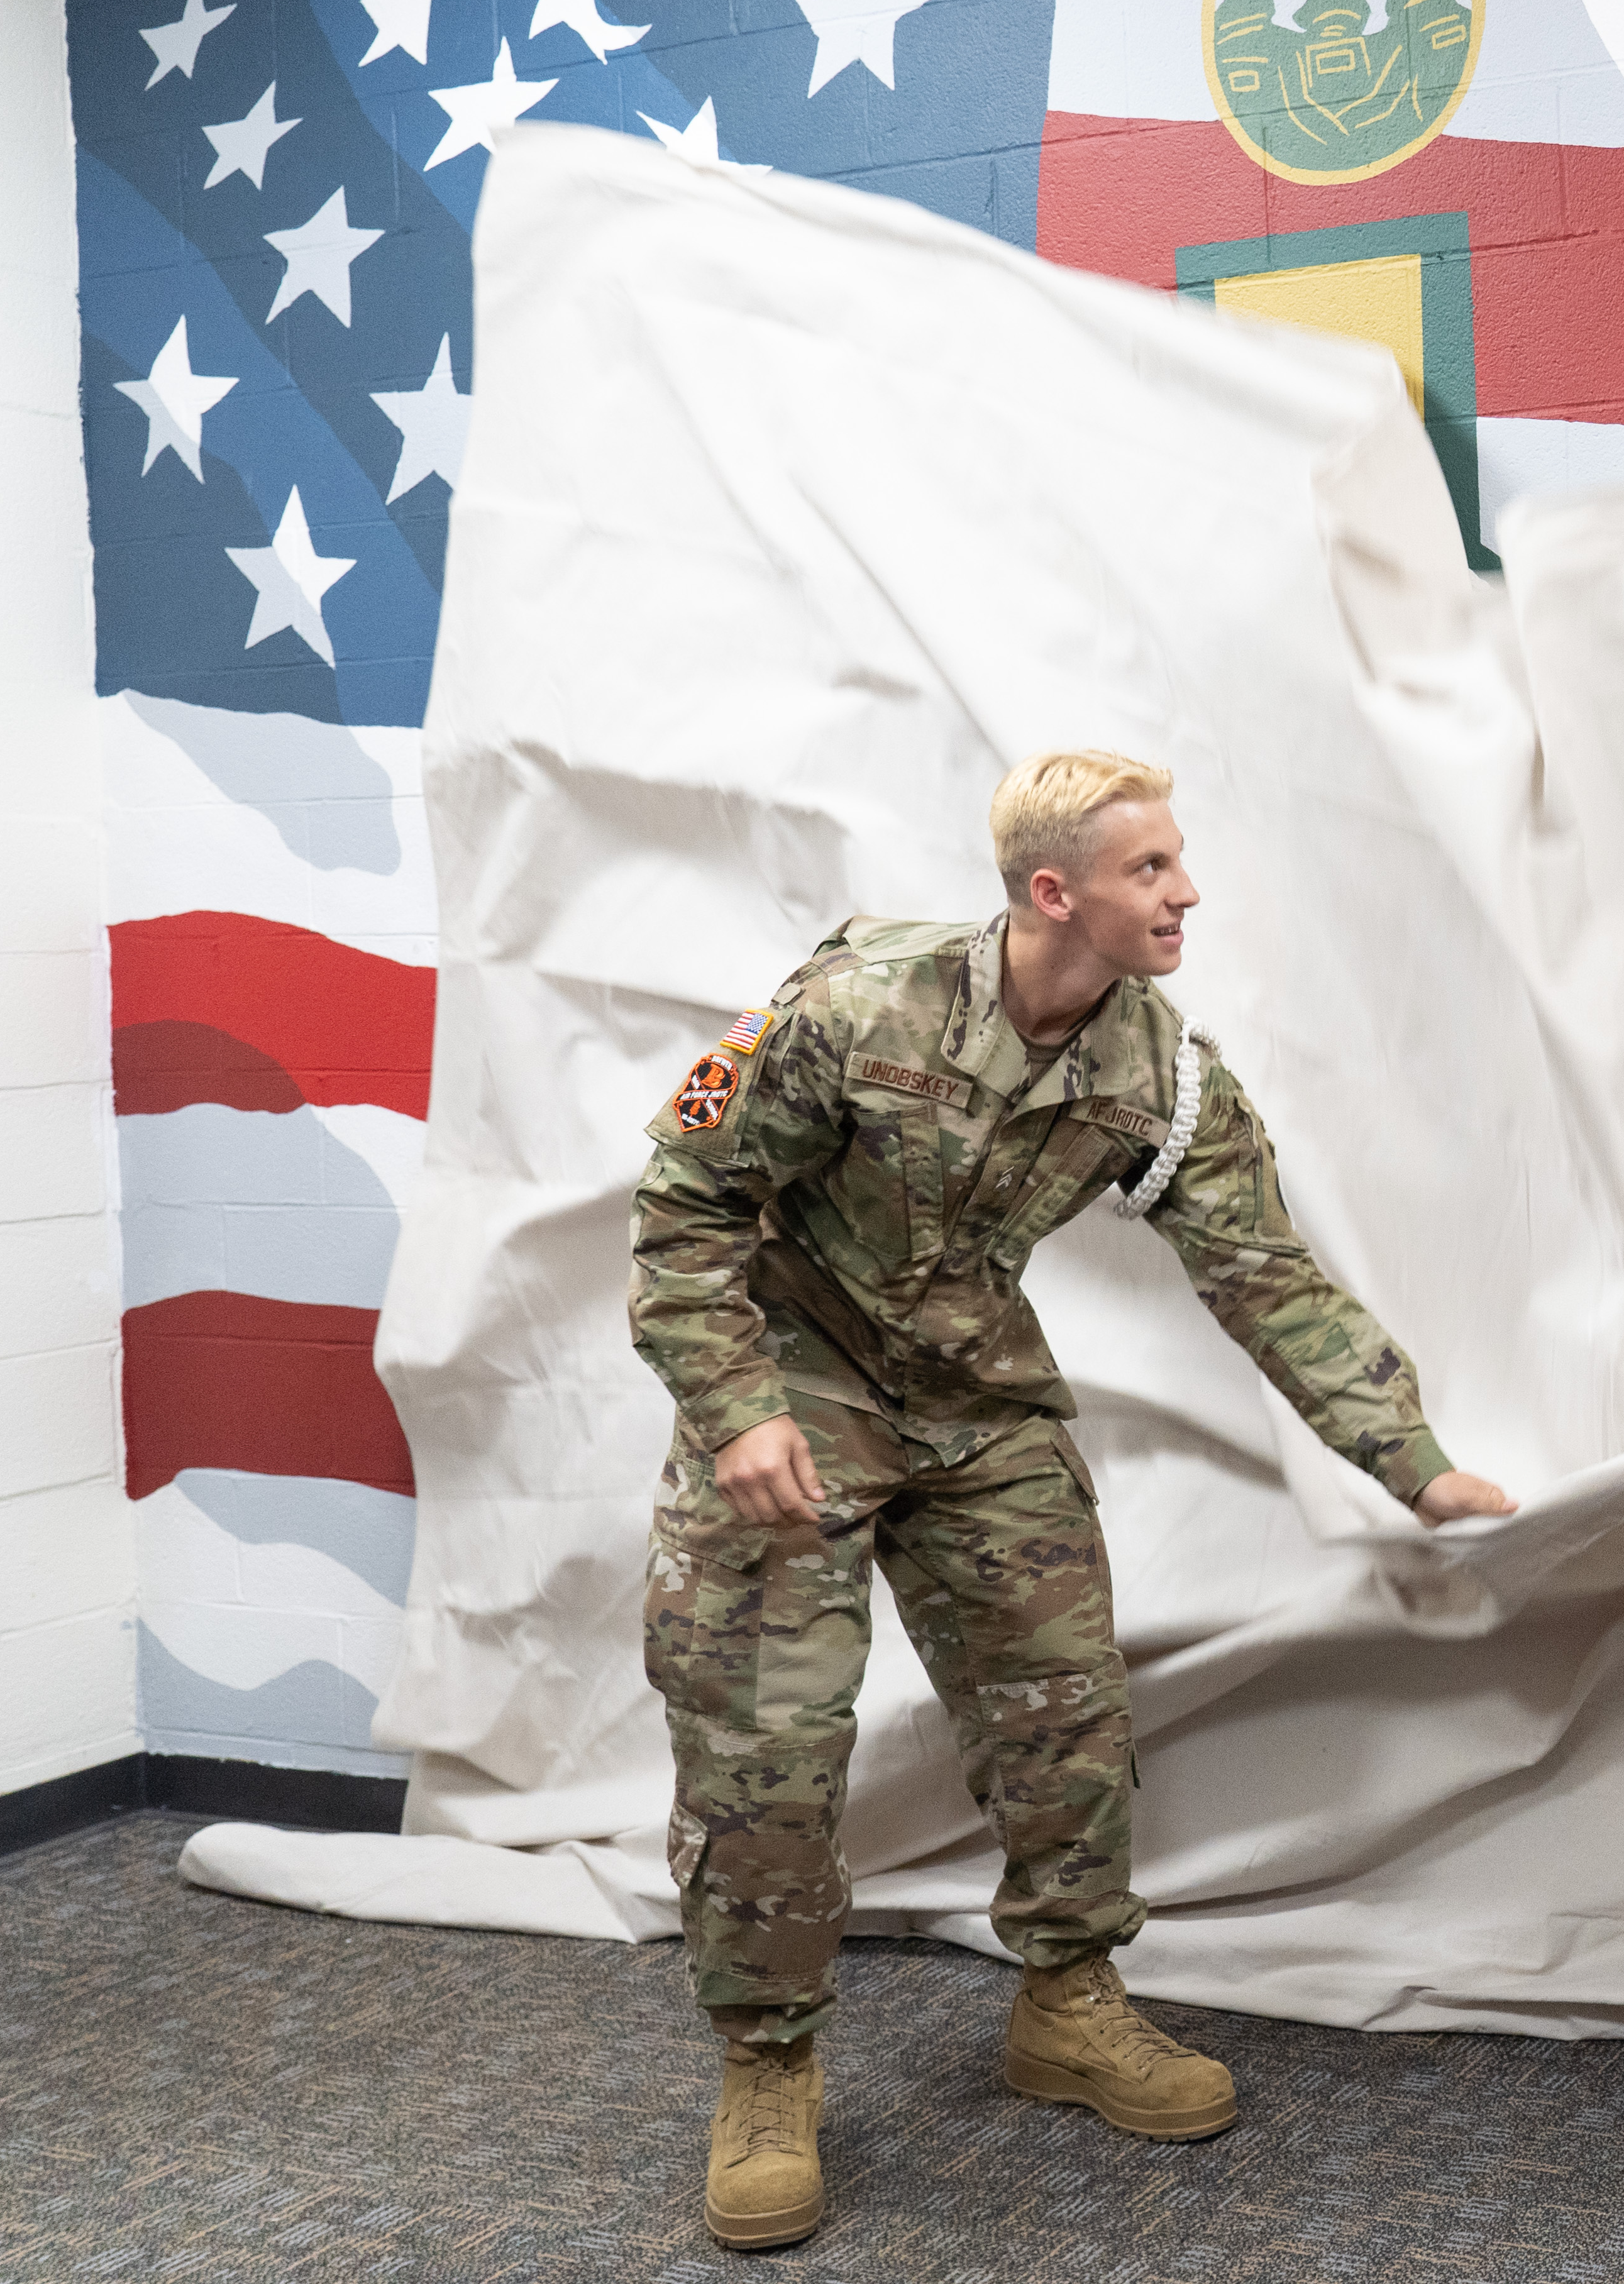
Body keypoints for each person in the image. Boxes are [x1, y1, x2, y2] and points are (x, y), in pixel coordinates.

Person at [626, 748, 1513, 2251]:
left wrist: (1407, 1455)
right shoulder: (856, 1006)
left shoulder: (1157, 1070)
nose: (1186, 892)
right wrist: (738, 1413)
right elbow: (681, 1211)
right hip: (798, 1390)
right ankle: (767, 2061)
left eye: (1178, 862)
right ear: (1057, 892)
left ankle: (1068, 1999)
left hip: (975, 1402)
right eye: (1151, 869)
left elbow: (1263, 1269)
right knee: (765, 1740)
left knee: (1066, 1714)